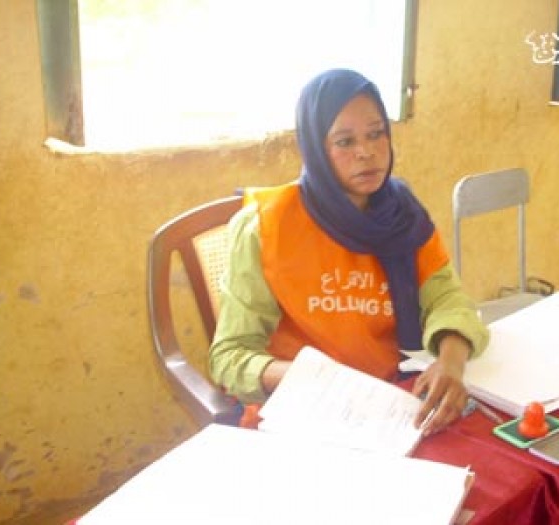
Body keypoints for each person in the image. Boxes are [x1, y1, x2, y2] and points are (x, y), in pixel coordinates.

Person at [209, 68, 489, 436]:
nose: (366, 152)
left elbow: (448, 299)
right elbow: (230, 356)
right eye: (344, 141)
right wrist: (314, 378)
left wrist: (450, 363)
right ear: (315, 147)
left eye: (376, 133)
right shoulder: (266, 226)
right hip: (304, 406)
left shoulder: (403, 217)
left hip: (395, 400)